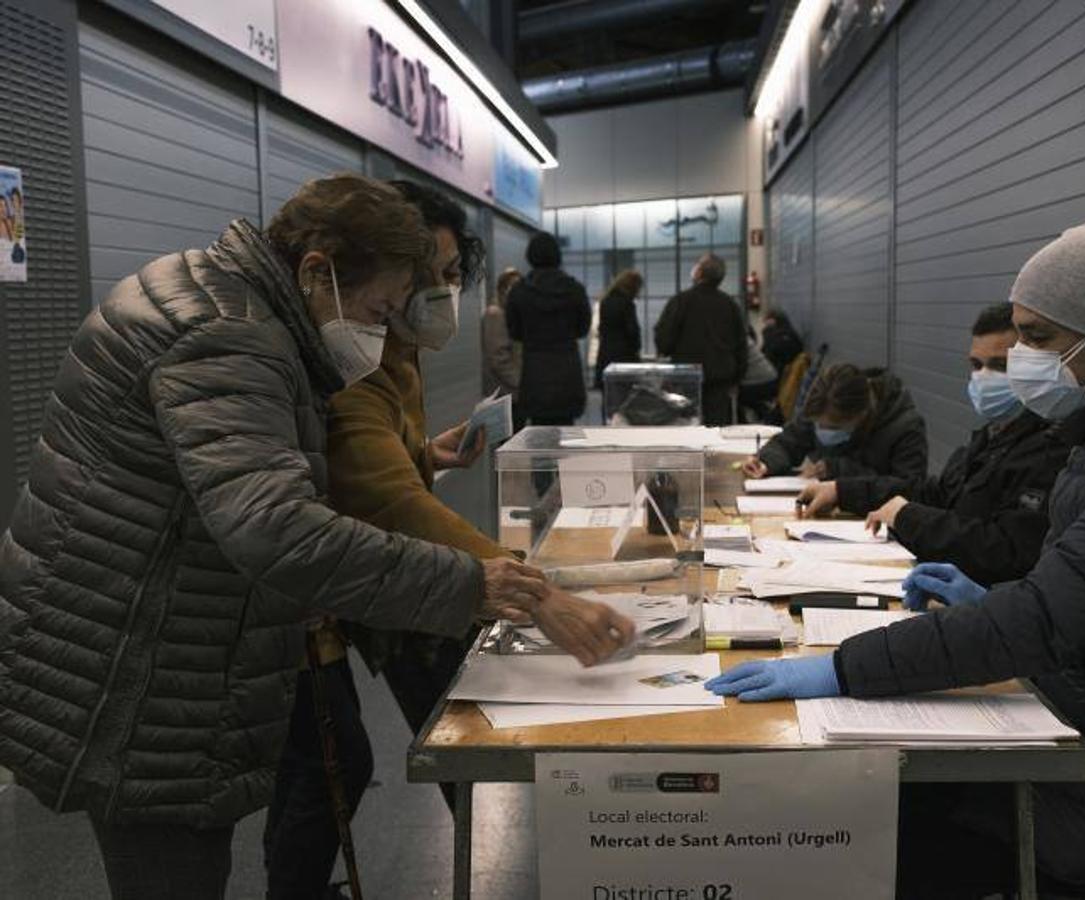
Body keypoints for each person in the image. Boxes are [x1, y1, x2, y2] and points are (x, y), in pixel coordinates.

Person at [0, 174, 634, 900]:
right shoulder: (226, 334)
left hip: (149, 644)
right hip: (135, 668)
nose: (381, 328)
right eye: (376, 308)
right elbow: (272, 525)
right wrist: (476, 582)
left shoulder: (234, 308)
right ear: (315, 269)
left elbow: (242, 481)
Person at [709, 223, 1085, 895]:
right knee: (867, 809)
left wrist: (841, 667)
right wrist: (994, 599)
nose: (1018, 358)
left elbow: (1044, 619)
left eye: (1036, 337)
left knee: (869, 835)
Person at [264, 181, 632, 899]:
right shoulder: (350, 350)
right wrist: (531, 589)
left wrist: (425, 454)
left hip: (359, 574)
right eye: (417, 273)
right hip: (325, 587)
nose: (434, 288)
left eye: (441, 270)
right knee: (326, 760)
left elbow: (368, 465)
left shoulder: (383, 341)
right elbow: (380, 496)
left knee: (331, 756)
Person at [795, 304, 1069, 585]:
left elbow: (1008, 549)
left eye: (1000, 366)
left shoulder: (1051, 449)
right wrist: (841, 490)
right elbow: (935, 493)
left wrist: (908, 517)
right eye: (976, 365)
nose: (983, 376)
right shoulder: (992, 436)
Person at [742, 363, 928, 485]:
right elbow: (789, 441)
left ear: (861, 415)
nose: (823, 431)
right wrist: (766, 462)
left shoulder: (905, 428)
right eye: (817, 425)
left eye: (833, 428)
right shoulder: (824, 404)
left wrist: (838, 470)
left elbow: (909, 490)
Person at [507, 232, 591, 427]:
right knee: (566, 436)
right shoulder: (575, 289)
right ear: (557, 255)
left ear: (530, 256)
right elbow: (583, 329)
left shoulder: (519, 291)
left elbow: (514, 332)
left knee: (538, 437)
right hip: (568, 372)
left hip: (534, 374)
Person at [654, 253, 747, 425]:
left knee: (685, 427)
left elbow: (664, 340)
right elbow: (741, 345)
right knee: (717, 431)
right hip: (720, 380)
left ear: (699, 273)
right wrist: (737, 378)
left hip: (685, 378)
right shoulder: (730, 305)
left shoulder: (681, 301)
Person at [482, 266, 523, 432]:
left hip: (512, 394)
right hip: (506, 395)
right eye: (513, 288)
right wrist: (520, 382)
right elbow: (499, 359)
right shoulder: (496, 314)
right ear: (502, 290)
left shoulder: (511, 314)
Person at [594, 268, 644, 393]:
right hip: (624, 357)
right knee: (625, 398)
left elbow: (601, 329)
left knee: (608, 398)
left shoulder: (605, 301)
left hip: (605, 355)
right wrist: (637, 349)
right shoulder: (627, 303)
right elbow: (632, 331)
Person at [738, 327, 780, 422]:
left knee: (725, 393)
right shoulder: (740, 334)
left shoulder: (732, 336)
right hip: (768, 377)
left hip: (760, 382)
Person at [759, 307, 804, 375]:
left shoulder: (773, 333)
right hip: (785, 364)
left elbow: (770, 351)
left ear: (772, 319)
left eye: (766, 321)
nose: (765, 324)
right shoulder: (787, 330)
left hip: (781, 369)